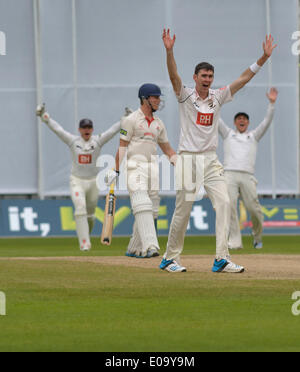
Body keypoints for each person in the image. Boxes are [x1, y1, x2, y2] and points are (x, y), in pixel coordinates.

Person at [160, 29, 277, 273]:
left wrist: (263, 58)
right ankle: (170, 258)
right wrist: (169, 50)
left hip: (211, 159)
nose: (208, 79)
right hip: (188, 158)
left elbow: (243, 78)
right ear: (195, 77)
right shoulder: (185, 95)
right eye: (204, 75)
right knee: (183, 208)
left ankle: (221, 258)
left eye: (211, 76)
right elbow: (173, 77)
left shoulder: (218, 96)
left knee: (224, 203)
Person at [36, 103, 129, 251]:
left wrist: (124, 119)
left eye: (89, 128)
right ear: (80, 130)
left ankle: (86, 233)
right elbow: (58, 130)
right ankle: (84, 243)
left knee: (90, 215)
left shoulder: (97, 141)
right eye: (84, 128)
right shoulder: (73, 141)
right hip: (77, 181)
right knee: (80, 208)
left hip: (93, 182)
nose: (87, 130)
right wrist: (44, 117)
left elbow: (112, 131)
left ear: (92, 130)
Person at [105, 83, 177, 258]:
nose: (159, 101)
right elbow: (122, 146)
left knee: (152, 209)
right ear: (145, 99)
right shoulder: (130, 120)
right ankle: (151, 246)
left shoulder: (159, 124)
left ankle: (134, 248)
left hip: (152, 167)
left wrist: (181, 165)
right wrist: (115, 170)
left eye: (159, 97)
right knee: (141, 204)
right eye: (155, 97)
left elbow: (167, 150)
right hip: (134, 167)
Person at [219, 87, 278, 250]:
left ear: (248, 122)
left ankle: (257, 237)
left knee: (254, 208)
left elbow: (266, 122)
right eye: (239, 119)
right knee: (229, 206)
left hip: (247, 176)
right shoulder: (228, 133)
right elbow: (217, 120)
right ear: (235, 122)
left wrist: (271, 104)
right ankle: (235, 241)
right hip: (229, 173)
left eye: (244, 119)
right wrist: (213, 103)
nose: (242, 120)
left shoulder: (254, 136)